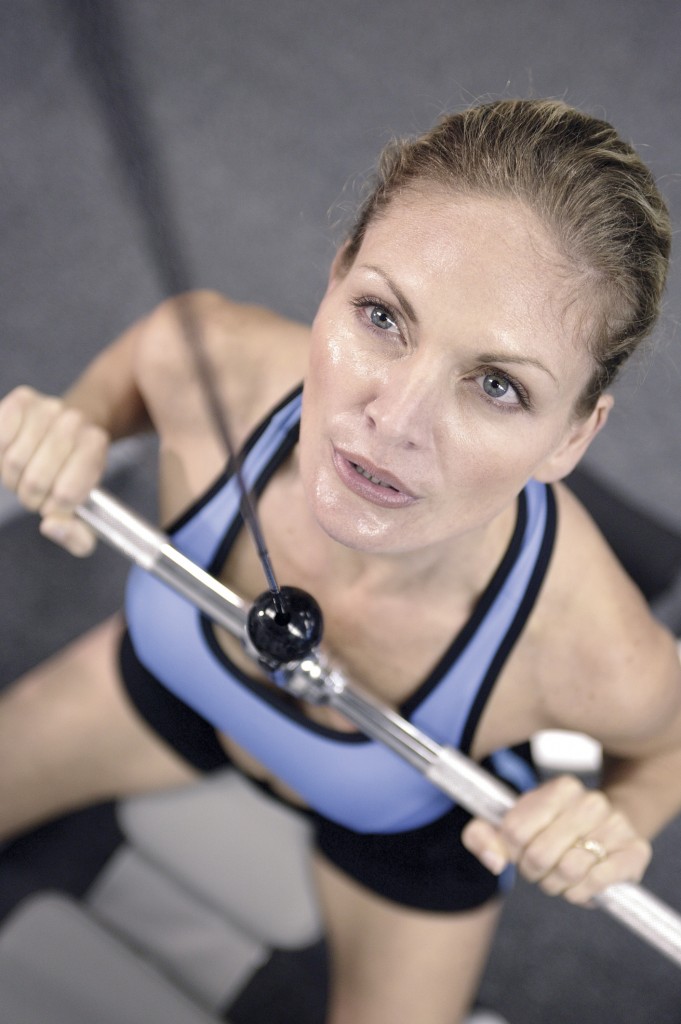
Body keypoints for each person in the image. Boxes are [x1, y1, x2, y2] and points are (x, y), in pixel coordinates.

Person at [1, 97, 680, 1024]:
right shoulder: (213, 371)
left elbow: (668, 743)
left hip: (400, 826)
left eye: (496, 386)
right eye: (381, 316)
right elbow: (125, 376)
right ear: (334, 278)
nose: (390, 425)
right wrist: (67, 428)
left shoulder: (587, 647)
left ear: (572, 436)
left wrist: (618, 822)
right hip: (175, 687)